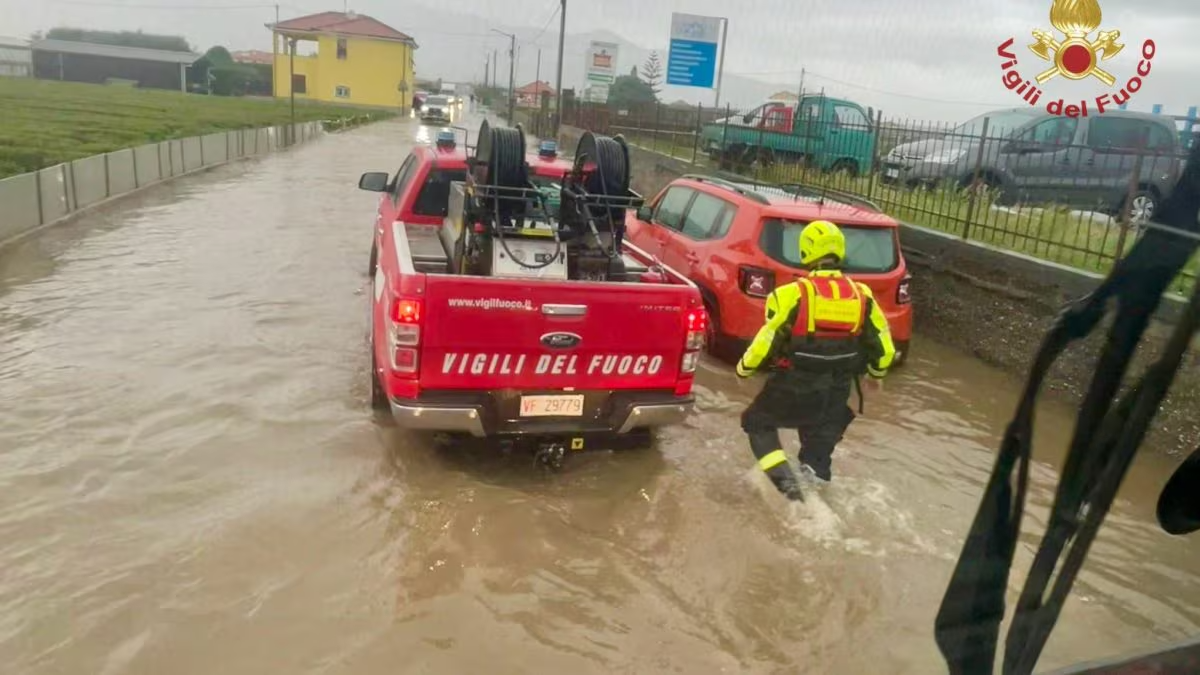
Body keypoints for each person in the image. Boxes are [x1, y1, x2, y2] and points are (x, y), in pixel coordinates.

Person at [735, 220, 896, 501]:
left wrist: (744, 369)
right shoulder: (863, 296)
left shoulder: (789, 295)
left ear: (806, 252)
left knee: (757, 423)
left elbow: (766, 340)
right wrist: (876, 374)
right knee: (817, 448)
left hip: (795, 383)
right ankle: (819, 499)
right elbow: (884, 346)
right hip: (837, 390)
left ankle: (791, 493)